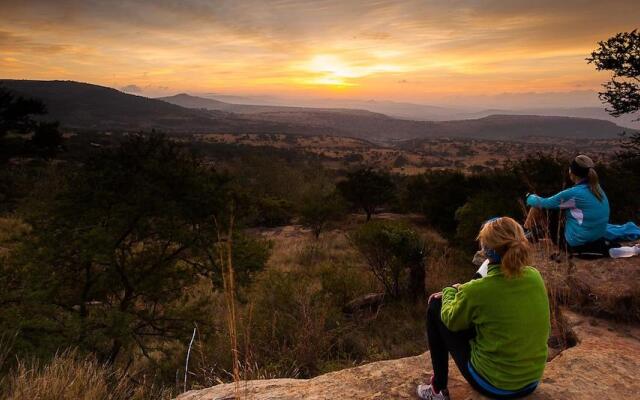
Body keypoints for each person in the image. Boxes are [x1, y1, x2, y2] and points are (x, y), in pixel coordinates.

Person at [417, 217, 550, 400]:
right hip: (530, 382)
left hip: (495, 385)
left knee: (435, 306)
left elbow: (451, 321)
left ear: (486, 250)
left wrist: (449, 291)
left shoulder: (478, 291)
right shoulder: (534, 276)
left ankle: (437, 389)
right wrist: (465, 291)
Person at [525, 154, 611, 256]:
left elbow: (544, 203)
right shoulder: (597, 189)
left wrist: (529, 196)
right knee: (560, 207)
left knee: (543, 207)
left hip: (575, 243)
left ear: (571, 172)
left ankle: (526, 233)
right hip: (596, 239)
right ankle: (531, 233)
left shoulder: (573, 193)